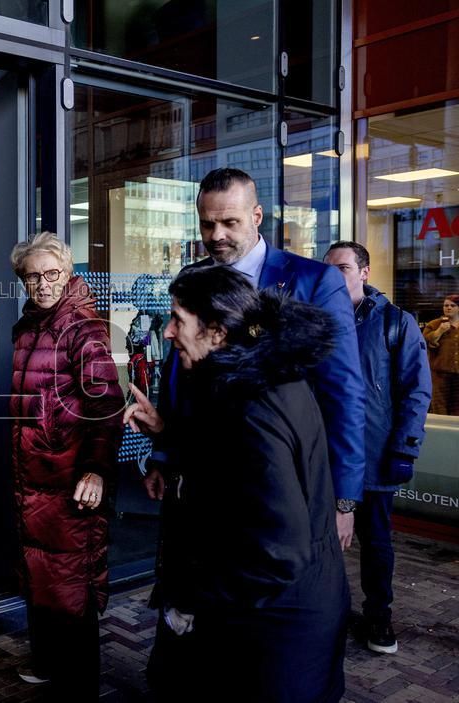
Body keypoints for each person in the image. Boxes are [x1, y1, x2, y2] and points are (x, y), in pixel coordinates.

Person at [125, 266, 349, 703]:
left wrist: (192, 599)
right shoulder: (256, 380)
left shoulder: (251, 407)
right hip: (285, 618)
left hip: (276, 634)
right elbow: (230, 467)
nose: (167, 332)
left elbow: (277, 553)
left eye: (177, 320)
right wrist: (167, 431)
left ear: (217, 332)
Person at [144, 167, 366, 549]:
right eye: (207, 224)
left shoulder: (314, 282)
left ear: (257, 216)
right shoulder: (193, 277)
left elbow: (342, 391)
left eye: (230, 222)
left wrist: (343, 498)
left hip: (282, 478)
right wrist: (164, 455)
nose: (217, 235)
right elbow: (177, 378)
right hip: (205, 477)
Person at [9, 232, 125, 700]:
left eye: (51, 273)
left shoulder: (82, 328)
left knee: (72, 589)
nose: (42, 283)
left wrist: (95, 469)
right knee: (42, 581)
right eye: (32, 276)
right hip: (33, 480)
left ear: (68, 273)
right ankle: (49, 664)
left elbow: (107, 405)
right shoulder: (27, 326)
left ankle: (78, 687)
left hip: (70, 483)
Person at [324, 242, 432, 655]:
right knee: (321, 541)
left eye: (343, 268)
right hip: (324, 457)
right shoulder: (317, 321)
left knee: (375, 543)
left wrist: (405, 450)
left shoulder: (395, 322)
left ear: (365, 272)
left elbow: (416, 392)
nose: (334, 276)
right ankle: (326, 614)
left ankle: (378, 618)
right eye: (328, 269)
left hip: (374, 456)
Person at [423, 294, 459, 415]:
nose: (448, 308)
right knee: (440, 408)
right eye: (446, 305)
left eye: (452, 305)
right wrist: (440, 331)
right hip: (439, 374)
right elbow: (425, 341)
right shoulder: (434, 324)